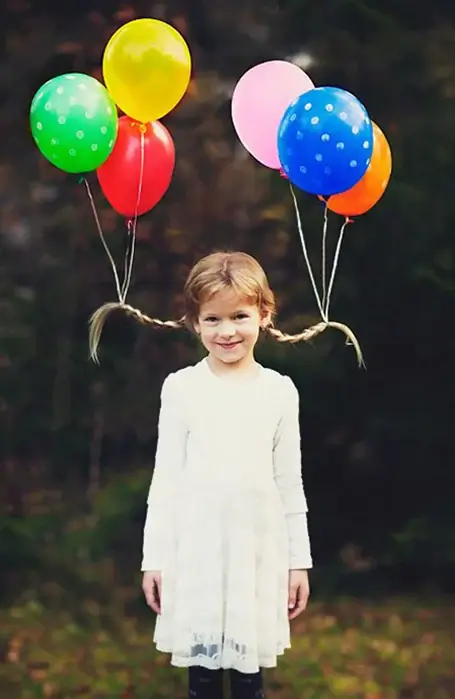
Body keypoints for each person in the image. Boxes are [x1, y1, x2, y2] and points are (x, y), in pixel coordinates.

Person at [90, 251, 315, 699]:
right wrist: (153, 558)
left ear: (264, 314)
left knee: (250, 679)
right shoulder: (181, 388)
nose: (227, 331)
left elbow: (290, 482)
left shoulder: (279, 391)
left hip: (257, 551)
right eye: (212, 319)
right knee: (204, 675)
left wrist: (298, 562)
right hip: (197, 551)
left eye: (239, 316)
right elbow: (167, 479)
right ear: (194, 322)